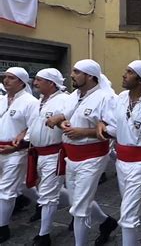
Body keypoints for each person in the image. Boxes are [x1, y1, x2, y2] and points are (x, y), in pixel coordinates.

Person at [97, 60, 141, 246]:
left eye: (129, 72)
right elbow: (114, 125)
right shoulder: (121, 98)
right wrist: (102, 125)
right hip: (121, 162)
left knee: (128, 216)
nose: (124, 75)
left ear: (140, 79)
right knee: (133, 204)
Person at [46, 59, 118, 246]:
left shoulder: (106, 97)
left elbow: (115, 129)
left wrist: (84, 132)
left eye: (77, 72)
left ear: (90, 76)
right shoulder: (74, 95)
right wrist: (62, 123)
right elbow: (64, 115)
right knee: (76, 199)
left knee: (80, 208)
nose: (72, 75)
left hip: (92, 156)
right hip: (71, 156)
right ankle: (106, 222)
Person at [24, 68, 69, 246]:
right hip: (38, 154)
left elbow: (70, 120)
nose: (35, 83)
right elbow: (32, 125)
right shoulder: (39, 101)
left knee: (48, 195)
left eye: (39, 80)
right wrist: (24, 136)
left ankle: (44, 236)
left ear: (51, 83)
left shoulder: (65, 101)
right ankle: (97, 216)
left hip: (54, 154)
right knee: (56, 191)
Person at [0, 67, 39, 243]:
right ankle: (46, 202)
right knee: (23, 186)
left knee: (6, 191)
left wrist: (20, 143)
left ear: (22, 82)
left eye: (11, 78)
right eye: (4, 77)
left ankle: (2, 228)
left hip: (16, 152)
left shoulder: (30, 102)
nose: (6, 81)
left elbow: (34, 127)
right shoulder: (1, 100)